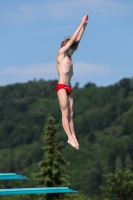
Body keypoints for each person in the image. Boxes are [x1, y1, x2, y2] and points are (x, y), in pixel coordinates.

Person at [56, 14, 89, 150]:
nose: (74, 49)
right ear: (66, 46)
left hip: (69, 88)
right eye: (71, 47)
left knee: (71, 114)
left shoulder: (69, 56)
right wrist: (80, 23)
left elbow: (77, 41)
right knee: (64, 113)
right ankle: (69, 137)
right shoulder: (61, 53)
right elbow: (73, 40)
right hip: (62, 87)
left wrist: (85, 26)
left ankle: (73, 136)